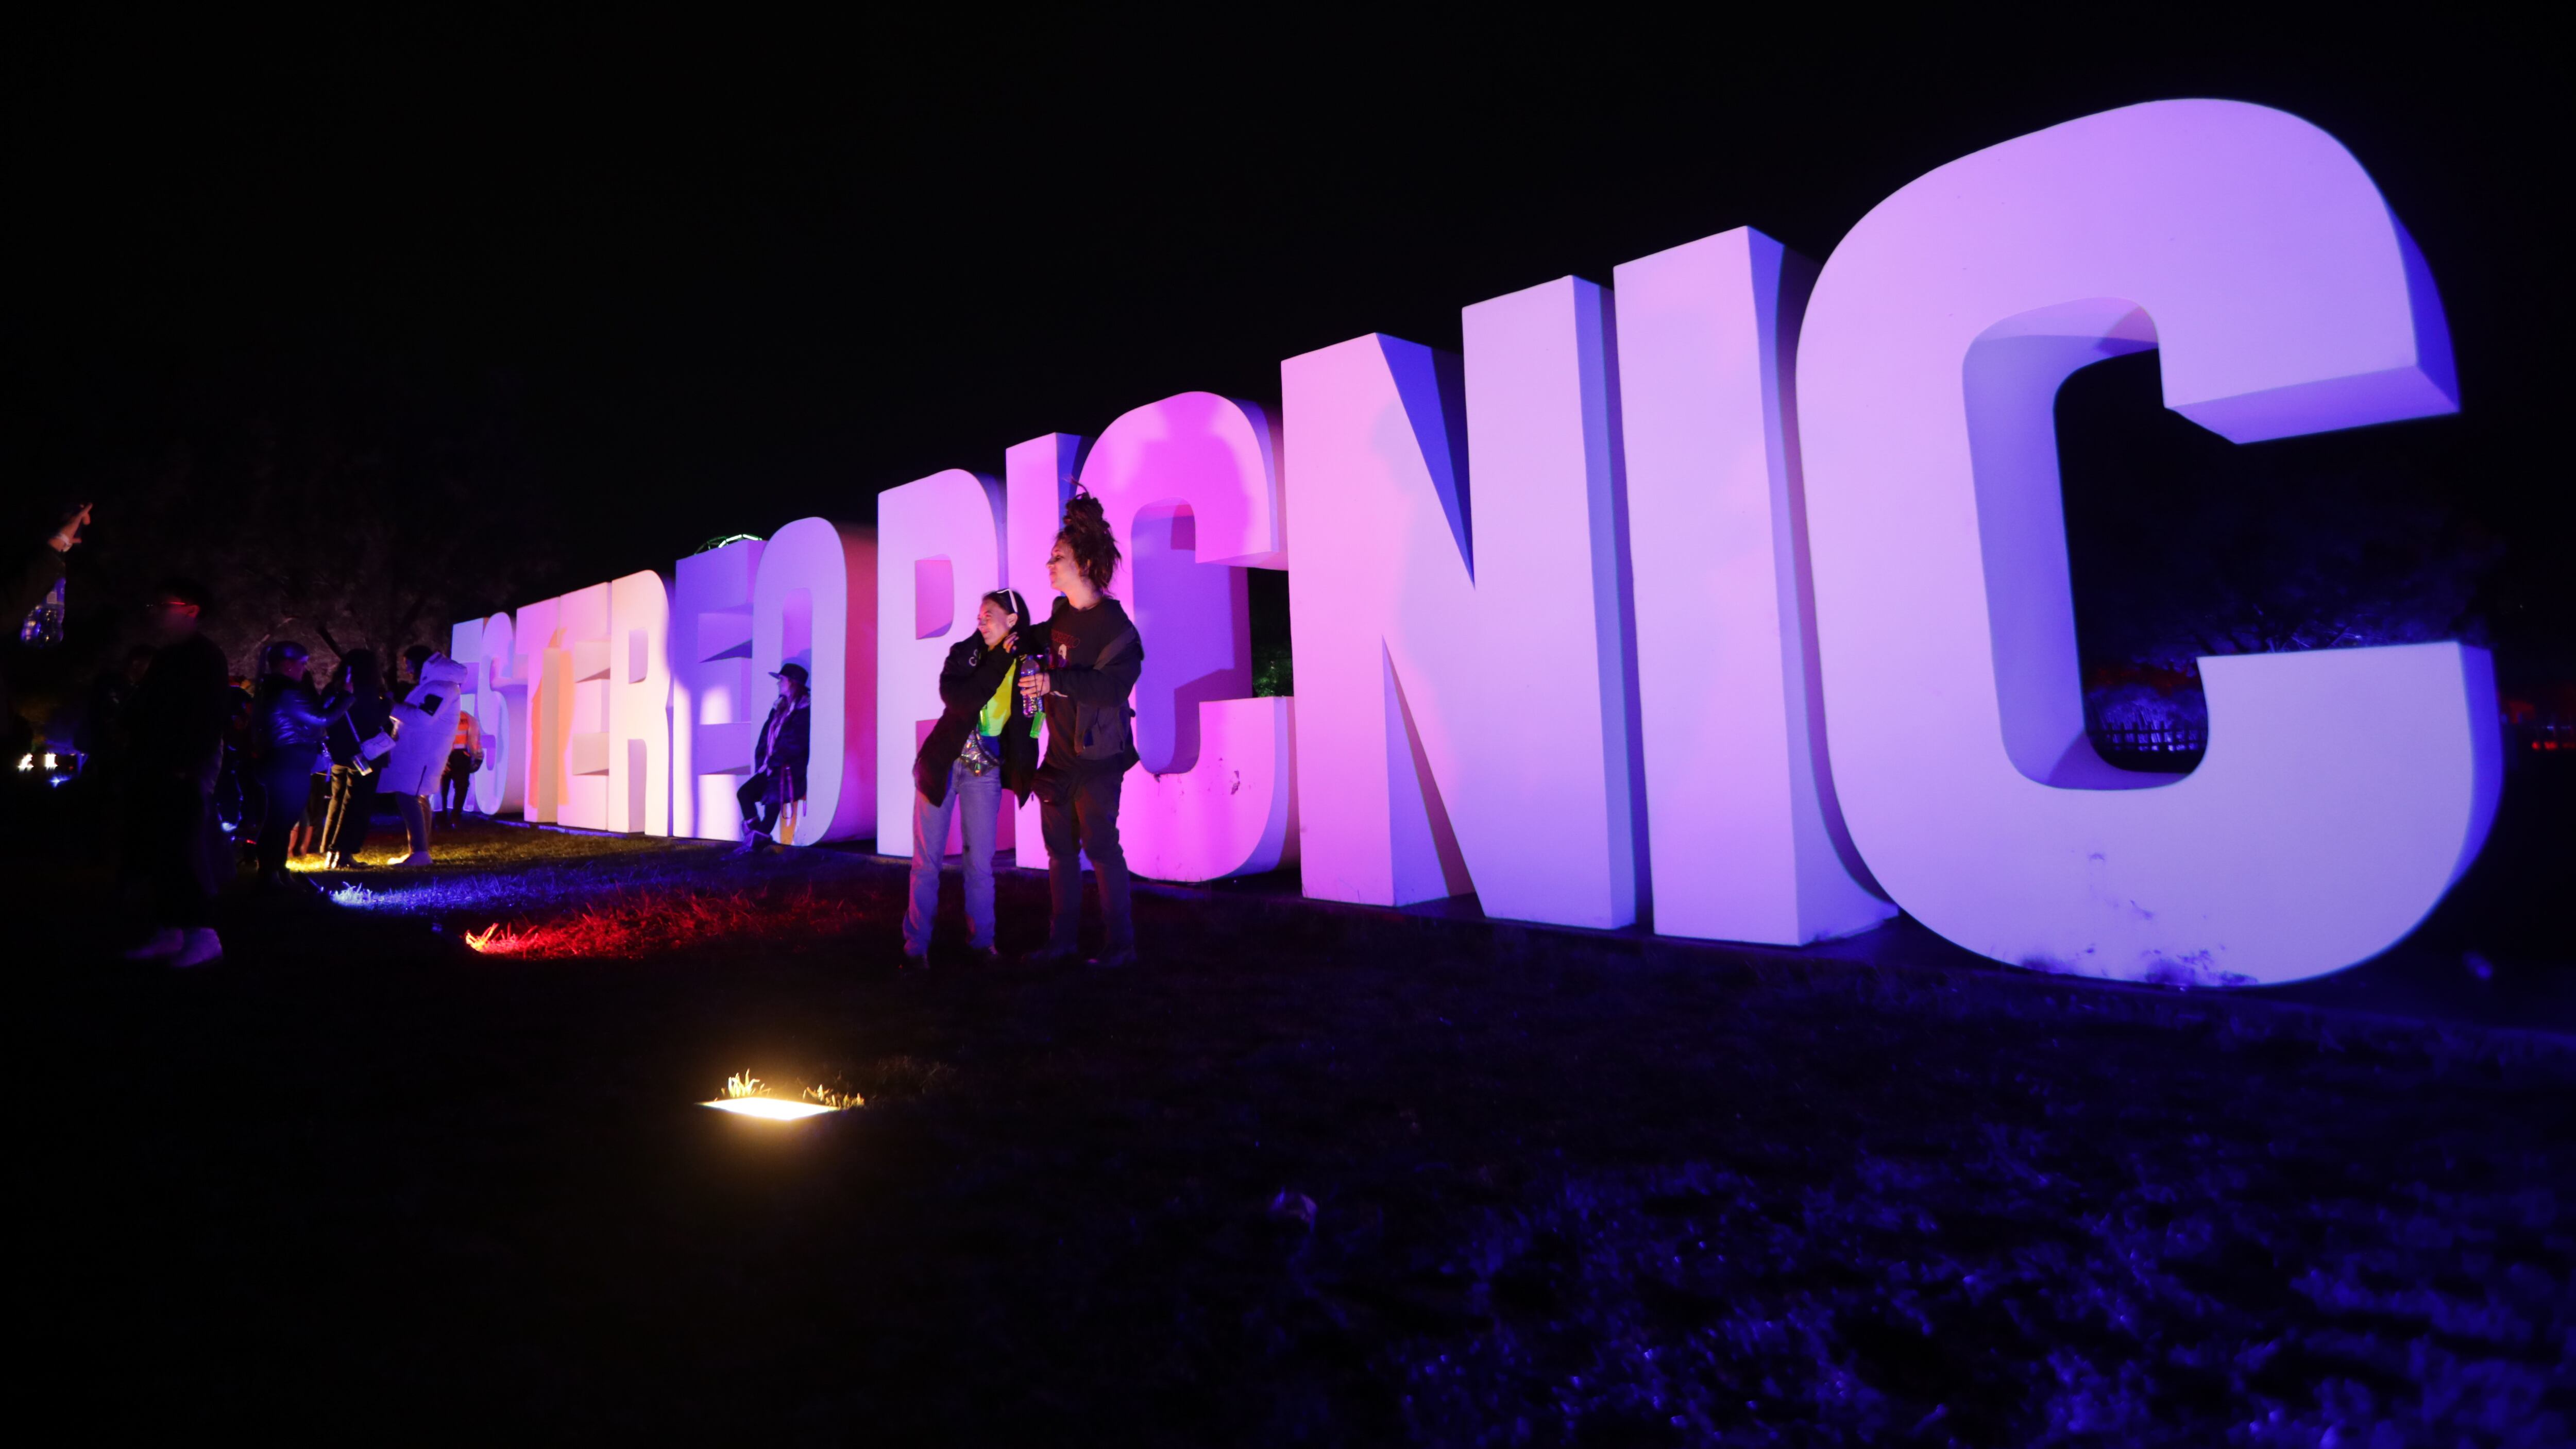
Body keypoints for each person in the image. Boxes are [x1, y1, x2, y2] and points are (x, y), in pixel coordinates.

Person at [1019, 491, 1145, 967]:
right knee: (1060, 853)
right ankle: (1063, 941)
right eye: (1051, 556)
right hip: (1058, 758)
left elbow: (1113, 687)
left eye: (1059, 557)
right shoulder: (1058, 614)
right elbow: (1041, 648)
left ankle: (1121, 945)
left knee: (1100, 847)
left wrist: (1053, 680)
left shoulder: (1116, 626)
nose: (1049, 564)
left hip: (1098, 763)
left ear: (1086, 563)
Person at [903, 588, 1042, 965]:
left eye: (988, 615)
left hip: (987, 769)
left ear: (1012, 621)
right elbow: (963, 700)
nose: (979, 621)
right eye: (979, 615)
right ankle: (916, 948)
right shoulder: (964, 653)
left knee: (980, 863)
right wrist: (1000, 658)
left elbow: (1031, 719)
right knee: (926, 861)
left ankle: (982, 944)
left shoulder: (1028, 662)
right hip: (943, 763)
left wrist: (1029, 762)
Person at [118, 578, 234, 966]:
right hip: (155, 766)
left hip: (181, 769)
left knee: (183, 850)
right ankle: (171, 929)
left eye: (166, 604)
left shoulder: (205, 657)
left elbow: (210, 717)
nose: (158, 612)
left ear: (191, 610)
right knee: (160, 850)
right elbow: (145, 708)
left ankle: (203, 933)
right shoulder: (168, 657)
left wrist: (187, 763)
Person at [248, 641, 350, 889]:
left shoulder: (276, 689)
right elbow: (321, 718)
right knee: (280, 820)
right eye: (302, 664)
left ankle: (277, 870)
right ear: (288, 664)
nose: (304, 670)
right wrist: (348, 696)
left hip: (286, 758)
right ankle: (270, 873)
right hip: (289, 759)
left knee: (283, 819)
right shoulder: (287, 691)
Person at [381, 645, 468, 866]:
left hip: (423, 754)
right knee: (416, 797)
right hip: (420, 753)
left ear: (423, 664)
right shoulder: (437, 686)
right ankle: (419, 851)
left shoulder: (441, 687)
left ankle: (420, 853)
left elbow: (421, 718)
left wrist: (390, 707)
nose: (408, 671)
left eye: (409, 665)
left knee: (408, 796)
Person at [318, 649, 391, 868]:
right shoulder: (367, 691)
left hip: (339, 754)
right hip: (365, 757)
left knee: (337, 800)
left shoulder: (333, 688)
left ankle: (330, 851)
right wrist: (388, 703)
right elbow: (375, 719)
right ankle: (345, 853)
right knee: (358, 802)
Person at [735, 663, 810, 852]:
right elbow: (765, 738)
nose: (778, 683)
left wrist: (774, 763)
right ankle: (755, 842)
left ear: (793, 683)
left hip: (787, 771)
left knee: (771, 809)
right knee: (745, 793)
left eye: (782, 680)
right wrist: (764, 763)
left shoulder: (803, 710)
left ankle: (753, 848)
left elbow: (795, 743)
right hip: (770, 768)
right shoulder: (779, 708)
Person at [441, 708, 482, 828]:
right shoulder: (440, 715)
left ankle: (455, 817)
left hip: (460, 756)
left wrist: (478, 756)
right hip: (445, 756)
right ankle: (442, 818)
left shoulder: (467, 717)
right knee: (441, 789)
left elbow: (475, 739)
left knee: (462, 787)